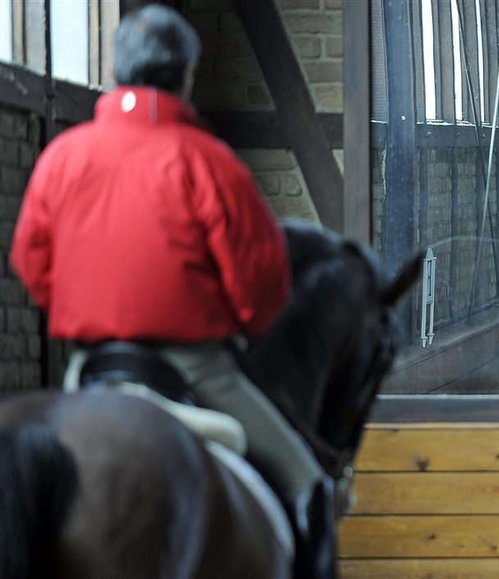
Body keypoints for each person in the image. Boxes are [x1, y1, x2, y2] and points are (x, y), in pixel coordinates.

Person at [10, 5, 333, 577]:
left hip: (88, 365)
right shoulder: (209, 163)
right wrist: (239, 322)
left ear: (116, 72)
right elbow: (259, 289)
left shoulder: (61, 156)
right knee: (309, 484)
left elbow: (31, 264)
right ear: (185, 74)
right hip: (195, 369)